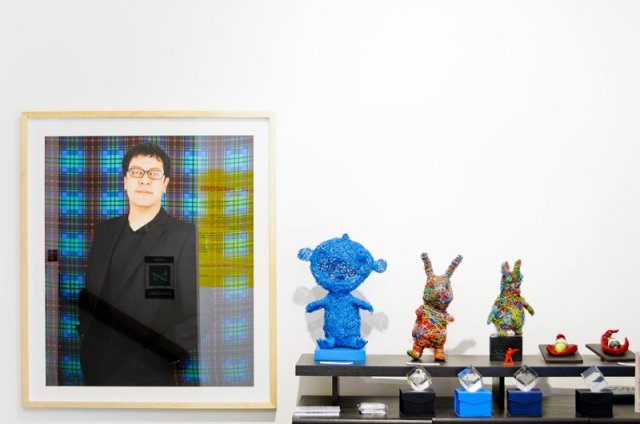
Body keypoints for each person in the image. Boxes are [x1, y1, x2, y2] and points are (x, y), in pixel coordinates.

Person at [77, 143, 199, 386]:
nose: (144, 180)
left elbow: (199, 315)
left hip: (147, 374)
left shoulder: (185, 236)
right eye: (136, 172)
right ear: (125, 181)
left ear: (165, 184)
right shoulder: (104, 231)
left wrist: (158, 354)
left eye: (154, 173)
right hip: (95, 367)